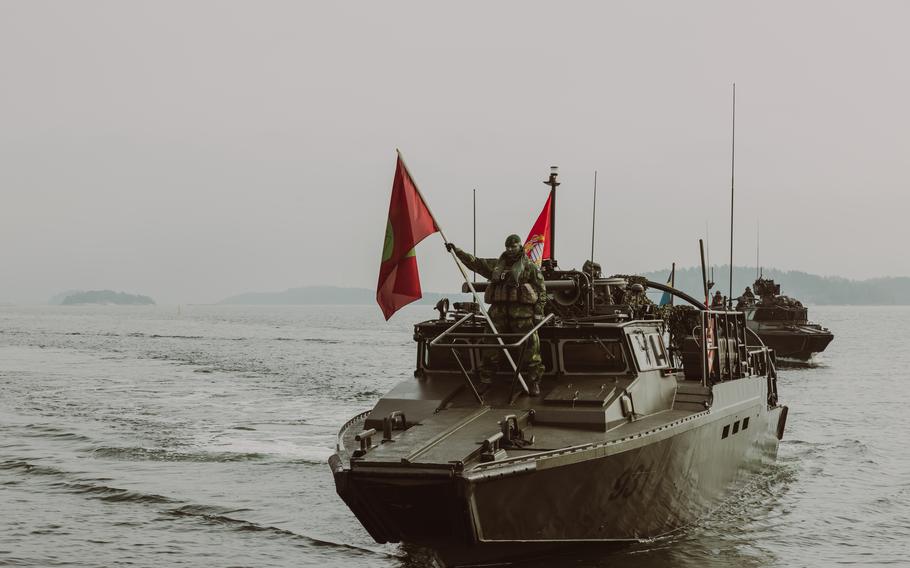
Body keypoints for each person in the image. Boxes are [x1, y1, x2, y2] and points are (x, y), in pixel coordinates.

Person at [446, 235, 547, 396]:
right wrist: (457, 252)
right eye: (508, 247)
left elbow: (541, 291)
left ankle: (534, 381)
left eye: (513, 247)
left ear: (520, 246)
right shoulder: (496, 265)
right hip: (498, 314)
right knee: (489, 347)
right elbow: (476, 263)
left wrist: (538, 313)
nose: (510, 250)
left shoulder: (530, 267)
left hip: (522, 314)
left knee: (531, 348)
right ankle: (486, 380)